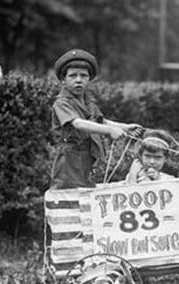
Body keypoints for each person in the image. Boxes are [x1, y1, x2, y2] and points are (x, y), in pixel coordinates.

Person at [51, 48, 142, 189]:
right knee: (69, 198)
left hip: (87, 158)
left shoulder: (88, 102)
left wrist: (124, 127)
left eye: (83, 76)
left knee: (87, 197)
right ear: (63, 80)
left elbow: (101, 121)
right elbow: (78, 123)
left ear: (89, 79)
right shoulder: (62, 102)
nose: (79, 80)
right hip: (70, 162)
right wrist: (109, 130)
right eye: (72, 76)